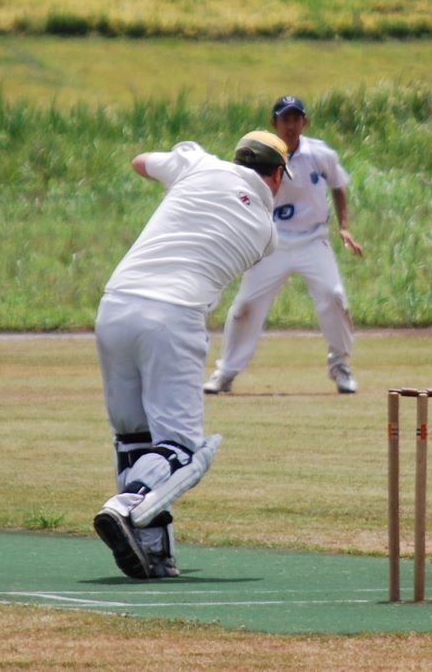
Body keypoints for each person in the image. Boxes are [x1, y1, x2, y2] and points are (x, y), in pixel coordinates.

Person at [93, 131, 292, 580]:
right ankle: (126, 504)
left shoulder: (197, 163)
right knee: (183, 449)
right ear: (278, 176)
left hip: (115, 305)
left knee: (135, 438)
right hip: (174, 314)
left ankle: (152, 552)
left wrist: (184, 168)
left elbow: (141, 161)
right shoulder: (267, 234)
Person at [204, 95, 364, 396]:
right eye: (284, 119)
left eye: (296, 119)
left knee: (334, 296)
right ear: (274, 122)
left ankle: (340, 365)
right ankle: (225, 372)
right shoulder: (260, 154)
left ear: (305, 122)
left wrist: (344, 227)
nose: (290, 125)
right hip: (272, 239)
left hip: (313, 238)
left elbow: (338, 186)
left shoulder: (321, 154)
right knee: (245, 305)